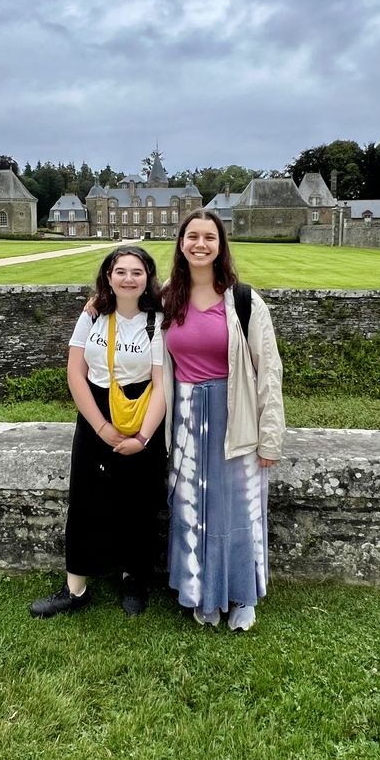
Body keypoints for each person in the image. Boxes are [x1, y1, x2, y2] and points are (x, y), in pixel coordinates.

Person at [162, 209, 285, 631]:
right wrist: (94, 304)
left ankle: (242, 595)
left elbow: (268, 371)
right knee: (190, 507)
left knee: (238, 510)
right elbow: (124, 316)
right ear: (181, 243)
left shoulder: (244, 301)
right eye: (192, 236)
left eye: (209, 237)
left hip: (236, 419)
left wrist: (269, 439)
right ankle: (202, 592)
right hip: (184, 420)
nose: (200, 244)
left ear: (220, 245)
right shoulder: (166, 298)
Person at [29, 246, 167, 619]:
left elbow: (162, 382)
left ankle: (133, 578)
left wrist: (142, 438)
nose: (128, 278)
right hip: (94, 413)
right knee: (87, 500)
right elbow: (75, 373)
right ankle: (75, 589)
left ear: (148, 278)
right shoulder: (91, 315)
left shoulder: (156, 320)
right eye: (120, 271)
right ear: (108, 277)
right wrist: (100, 426)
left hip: (142, 412)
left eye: (136, 272)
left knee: (138, 503)